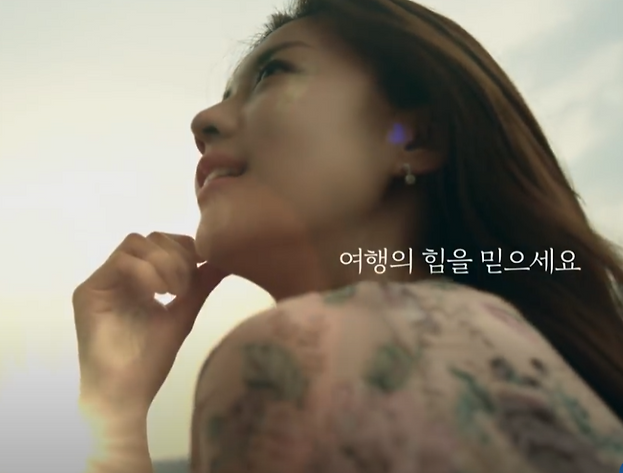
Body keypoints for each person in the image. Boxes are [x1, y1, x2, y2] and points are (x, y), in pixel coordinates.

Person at [72, 0, 623, 472]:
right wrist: (116, 404)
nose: (204, 121)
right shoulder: (509, 354)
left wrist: (112, 414)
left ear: (412, 139)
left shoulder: (290, 361)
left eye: (272, 74)